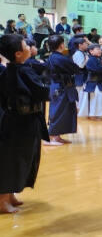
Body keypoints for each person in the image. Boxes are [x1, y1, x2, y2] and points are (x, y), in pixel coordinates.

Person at [0, 34, 50, 214]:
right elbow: (43, 92)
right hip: (21, 122)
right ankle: (2, 200)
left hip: (18, 120)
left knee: (19, 159)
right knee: (14, 160)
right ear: (18, 54)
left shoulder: (11, 69)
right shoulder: (22, 71)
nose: (29, 47)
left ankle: (10, 195)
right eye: (25, 45)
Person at [47, 35, 80, 145]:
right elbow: (75, 68)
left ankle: (57, 135)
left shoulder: (54, 56)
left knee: (63, 111)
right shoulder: (60, 58)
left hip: (60, 85)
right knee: (58, 111)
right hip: (60, 86)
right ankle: (52, 136)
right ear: (61, 45)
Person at [78, 44, 102, 119]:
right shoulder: (91, 60)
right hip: (93, 83)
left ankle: (96, 114)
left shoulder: (99, 58)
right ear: (91, 51)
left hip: (98, 83)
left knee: (100, 99)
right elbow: (97, 70)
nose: (100, 51)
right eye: (97, 49)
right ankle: (92, 114)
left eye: (100, 49)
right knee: (94, 99)